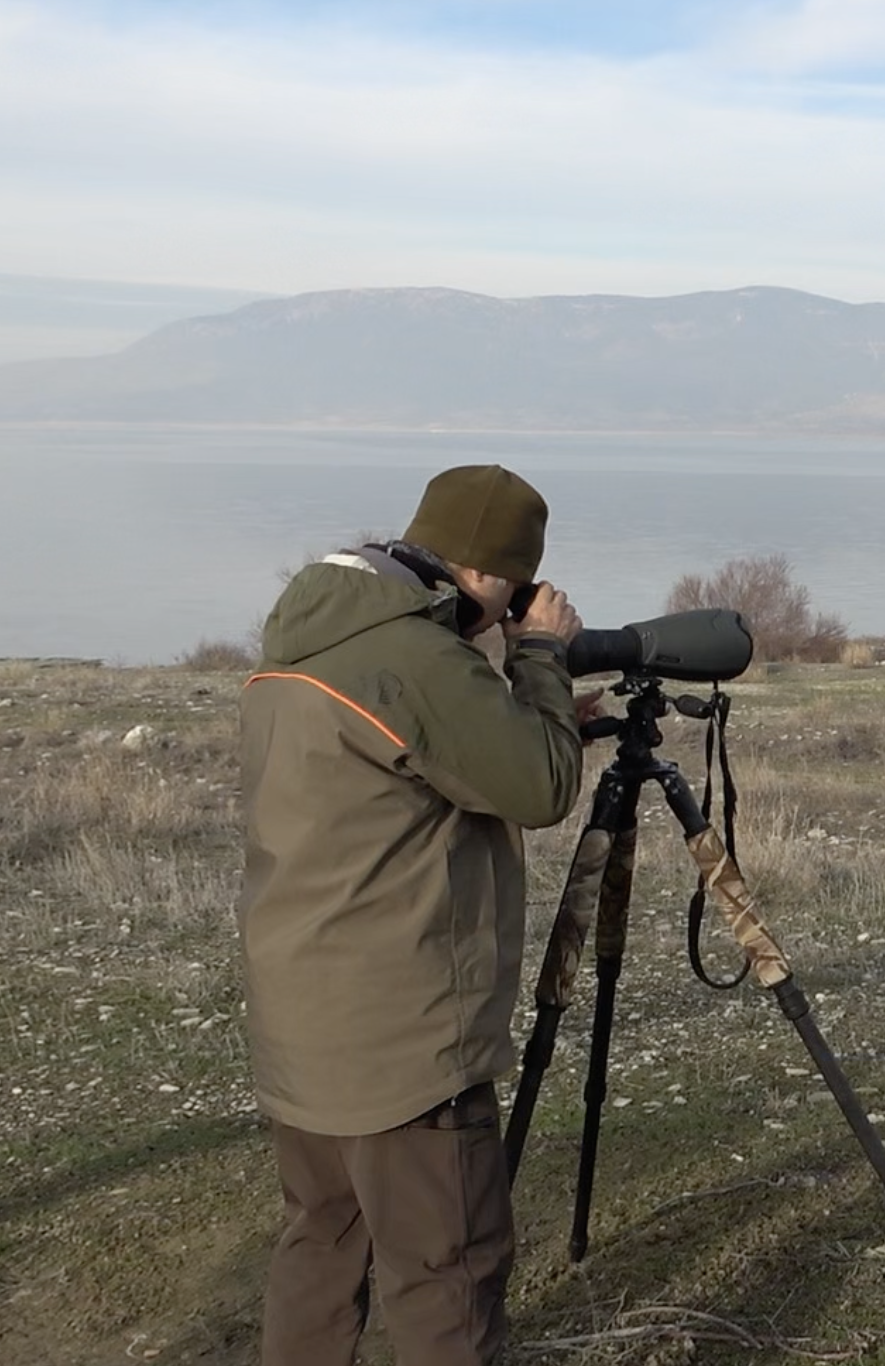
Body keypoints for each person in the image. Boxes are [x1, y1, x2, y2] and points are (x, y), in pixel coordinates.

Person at [238, 464, 588, 1366]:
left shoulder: (308, 637)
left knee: (320, 1246)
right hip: (403, 1045)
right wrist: (542, 657)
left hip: (305, 1027)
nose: (511, 612)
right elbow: (541, 788)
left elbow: (405, 764)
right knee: (447, 1276)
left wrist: (518, 712)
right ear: (485, 573)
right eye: (512, 593)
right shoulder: (418, 656)